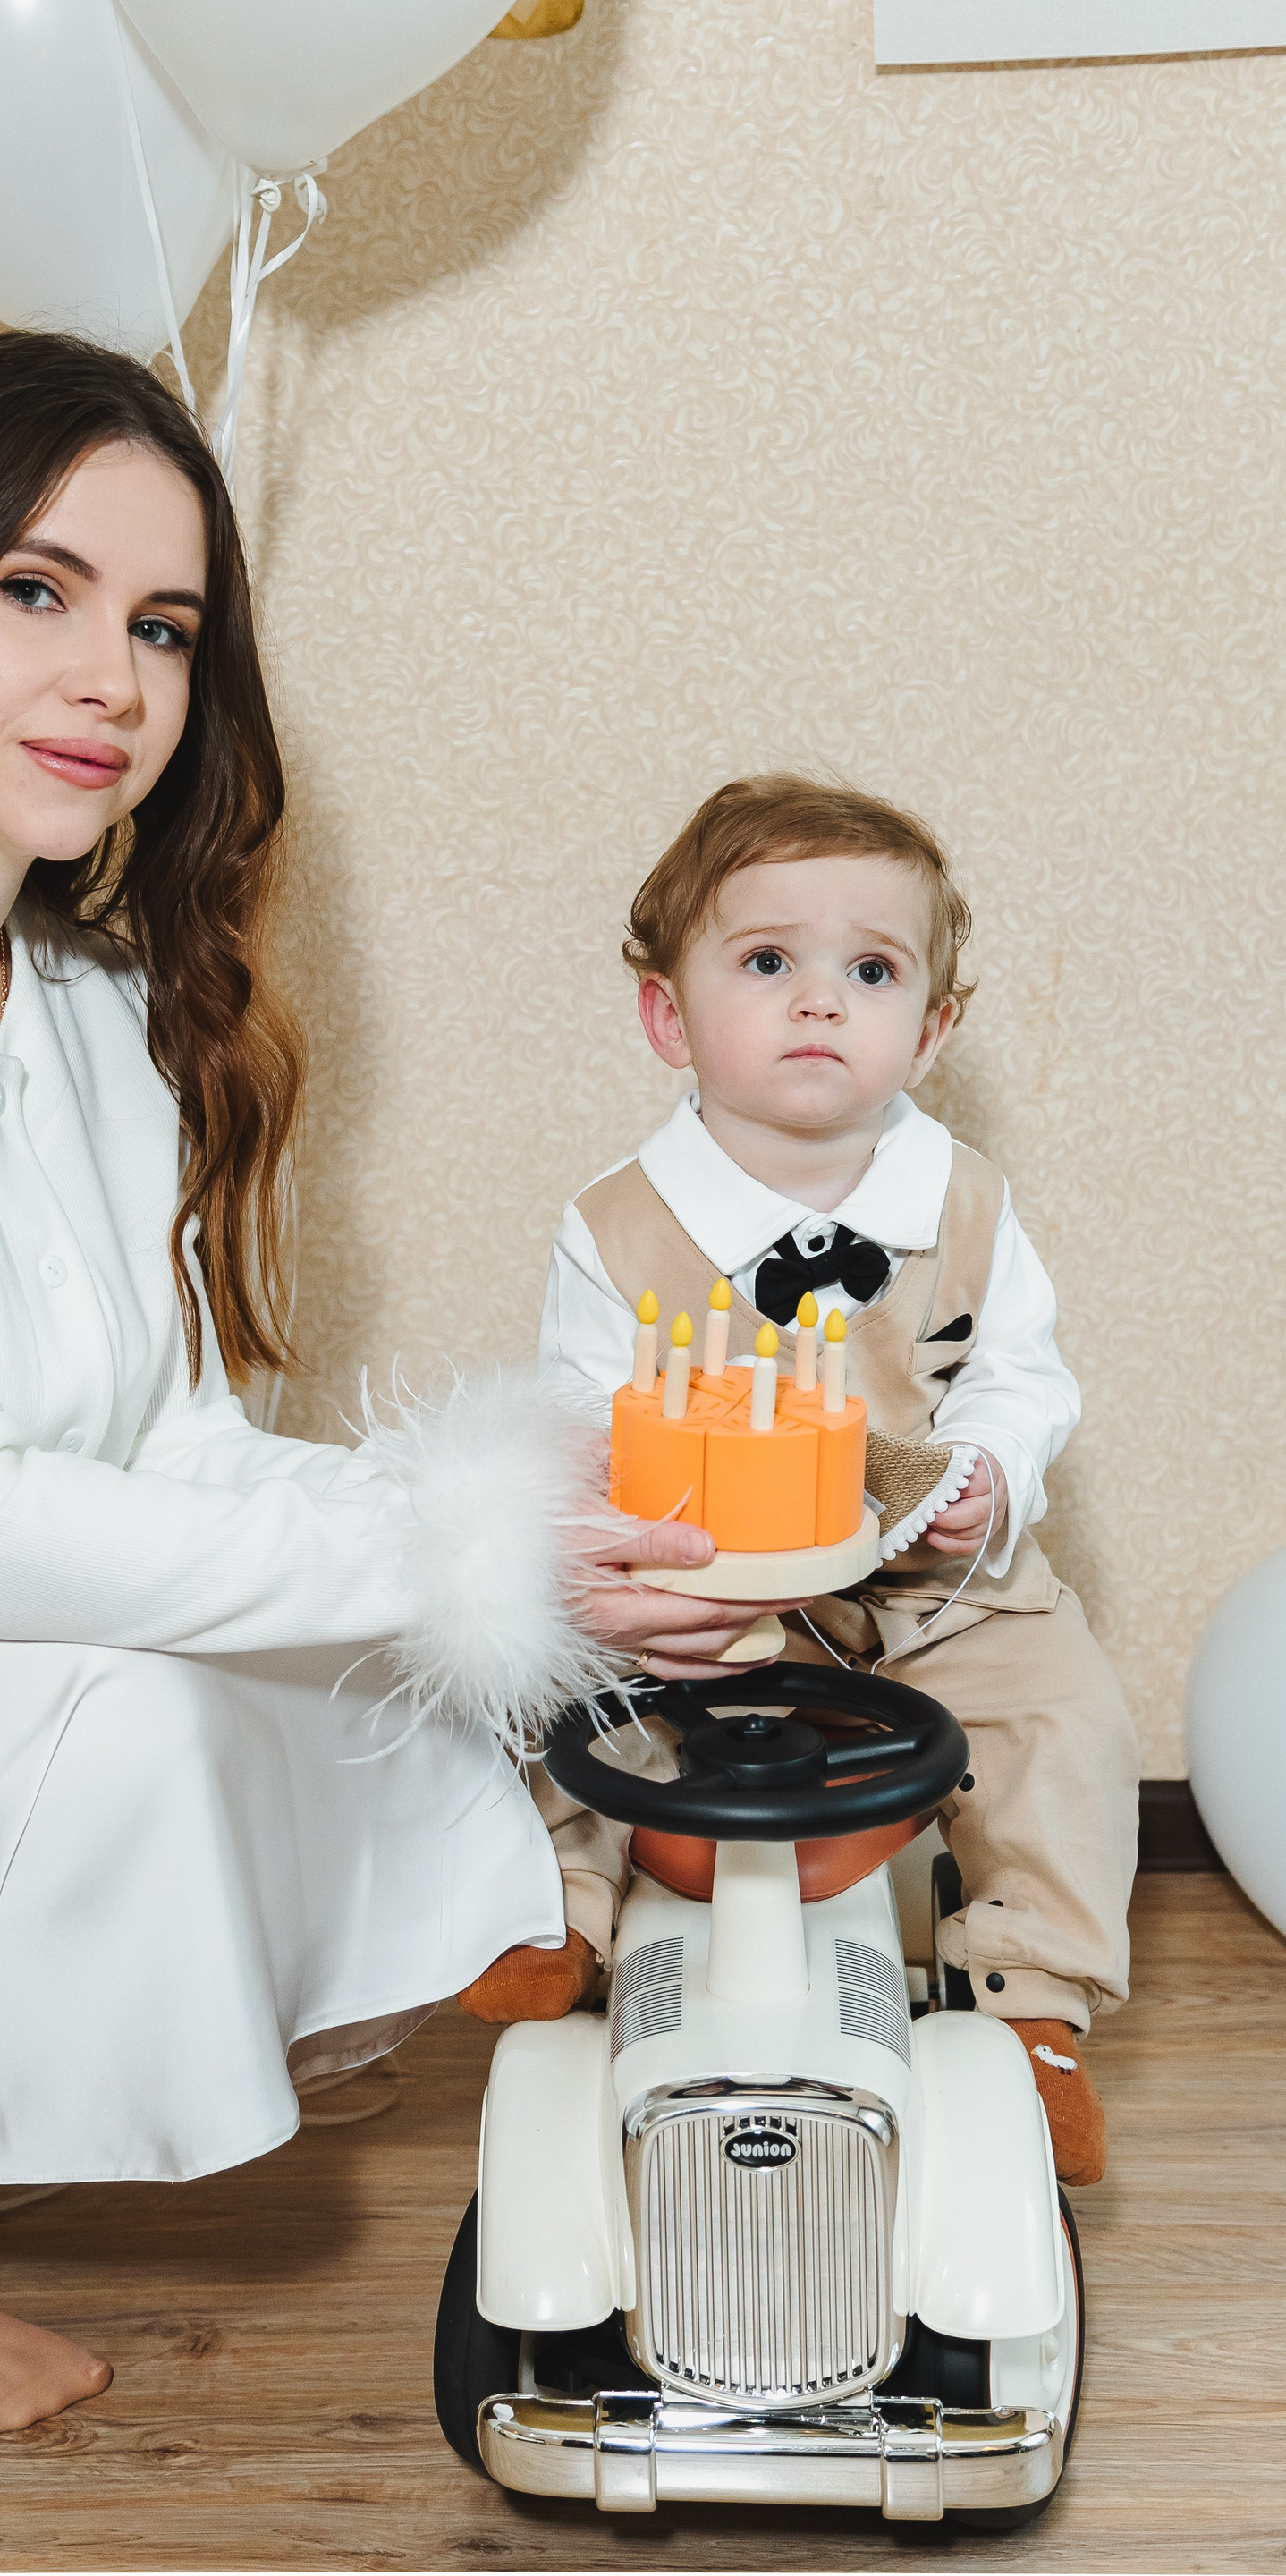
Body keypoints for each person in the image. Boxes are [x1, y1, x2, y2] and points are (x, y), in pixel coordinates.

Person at [0, 334, 758, 2446]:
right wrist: (435, 1567)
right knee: (101, 1693)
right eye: (36, 590)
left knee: (269, 1651)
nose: (111, 677)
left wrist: (523, 1545)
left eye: (164, 627)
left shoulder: (97, 1015)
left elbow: (177, 1451)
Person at [462, 775, 1138, 2189]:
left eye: (871, 972)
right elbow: (580, 1417)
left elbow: (1023, 1371)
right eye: (769, 961)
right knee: (560, 1675)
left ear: (931, 1030)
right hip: (718, 1584)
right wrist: (627, 1551)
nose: (821, 1001)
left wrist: (989, 1471)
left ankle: (1036, 2000)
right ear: (669, 1017)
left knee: (1063, 1709)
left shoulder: (969, 1200)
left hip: (933, 1586)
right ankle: (558, 1909)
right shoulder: (615, 1225)